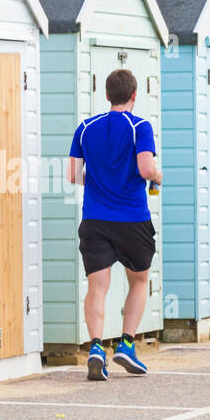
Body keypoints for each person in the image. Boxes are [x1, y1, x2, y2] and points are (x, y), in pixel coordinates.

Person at [68, 68, 162, 381]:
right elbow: (146, 169)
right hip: (132, 218)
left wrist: (100, 181)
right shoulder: (140, 127)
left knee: (98, 285)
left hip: (94, 218)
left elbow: (73, 176)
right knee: (138, 280)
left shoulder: (85, 128)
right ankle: (126, 344)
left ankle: (96, 347)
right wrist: (158, 176)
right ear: (135, 95)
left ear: (106, 95)